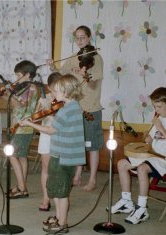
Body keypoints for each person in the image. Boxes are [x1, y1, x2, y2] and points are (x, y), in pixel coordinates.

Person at [109, 87, 166, 224]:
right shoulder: (159, 118)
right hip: (153, 154)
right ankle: (126, 202)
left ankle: (142, 208)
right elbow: (152, 139)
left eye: (159, 107)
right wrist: (148, 139)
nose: (156, 110)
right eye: (155, 107)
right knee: (121, 164)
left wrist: (161, 128)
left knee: (142, 168)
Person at [19, 74, 85, 233]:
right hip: (67, 156)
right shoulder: (75, 106)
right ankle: (58, 217)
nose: (53, 94)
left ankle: (62, 223)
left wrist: (30, 123)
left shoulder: (65, 111)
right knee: (57, 189)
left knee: (61, 193)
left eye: (56, 91)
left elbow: (50, 130)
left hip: (61, 156)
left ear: (67, 91)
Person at [48, 25, 104, 192]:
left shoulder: (96, 58)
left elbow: (94, 85)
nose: (80, 41)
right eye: (77, 38)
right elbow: (60, 75)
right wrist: (52, 66)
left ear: (89, 38)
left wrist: (84, 73)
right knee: (79, 143)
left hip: (91, 107)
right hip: (75, 107)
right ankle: (78, 175)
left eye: (83, 37)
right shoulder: (74, 57)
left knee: (92, 145)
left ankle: (93, 179)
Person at [0, 60, 38, 199]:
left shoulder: (31, 88)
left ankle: (22, 189)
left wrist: (9, 91)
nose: (16, 78)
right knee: (21, 156)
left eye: (18, 75)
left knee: (12, 155)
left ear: (28, 74)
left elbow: (19, 105)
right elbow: (15, 104)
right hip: (19, 126)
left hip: (23, 127)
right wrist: (5, 95)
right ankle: (20, 185)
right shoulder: (25, 87)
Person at [36, 72, 62, 211]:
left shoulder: (66, 100)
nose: (54, 92)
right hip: (46, 134)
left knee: (57, 168)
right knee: (46, 166)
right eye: (52, 89)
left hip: (60, 135)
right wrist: (42, 110)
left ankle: (59, 196)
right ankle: (46, 197)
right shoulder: (44, 99)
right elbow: (37, 118)